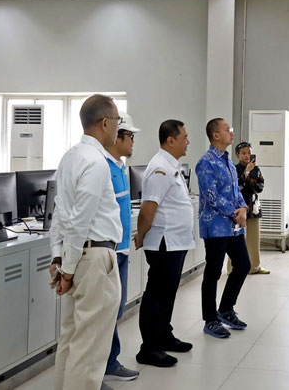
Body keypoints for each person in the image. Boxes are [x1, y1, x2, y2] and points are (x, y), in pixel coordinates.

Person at [48, 94, 123, 390]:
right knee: (89, 349)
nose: (118, 129)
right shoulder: (96, 162)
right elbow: (79, 220)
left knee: (71, 340)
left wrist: (59, 259)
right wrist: (66, 269)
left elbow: (59, 214)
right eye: (117, 122)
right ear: (105, 123)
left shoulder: (70, 157)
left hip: (76, 257)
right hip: (92, 259)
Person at [134, 120, 194, 367]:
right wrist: (141, 234)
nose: (188, 141)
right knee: (156, 295)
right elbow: (148, 209)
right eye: (185, 137)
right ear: (171, 140)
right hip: (163, 242)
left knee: (168, 292)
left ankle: (164, 336)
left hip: (176, 242)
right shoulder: (160, 168)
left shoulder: (172, 166)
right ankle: (148, 347)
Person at [196, 118, 250, 339]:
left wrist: (243, 208)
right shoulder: (206, 162)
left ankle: (226, 309)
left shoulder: (227, 161)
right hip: (216, 226)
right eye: (227, 130)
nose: (231, 133)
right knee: (213, 272)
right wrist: (234, 212)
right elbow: (211, 196)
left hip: (234, 226)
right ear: (215, 135)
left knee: (243, 265)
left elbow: (236, 190)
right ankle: (210, 319)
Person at [103, 112, 141, 383]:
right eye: (130, 137)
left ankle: (110, 361)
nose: (133, 142)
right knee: (105, 312)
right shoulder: (102, 166)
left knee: (116, 309)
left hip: (123, 247)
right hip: (109, 250)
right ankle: (99, 367)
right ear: (117, 136)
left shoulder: (119, 167)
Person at [228, 141, 269, 275]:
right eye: (244, 153)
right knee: (237, 239)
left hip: (254, 207)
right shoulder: (233, 169)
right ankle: (232, 268)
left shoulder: (256, 169)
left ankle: (255, 267)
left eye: (249, 153)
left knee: (254, 238)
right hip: (239, 208)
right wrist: (245, 174)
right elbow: (237, 187)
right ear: (238, 155)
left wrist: (249, 182)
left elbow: (259, 187)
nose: (247, 156)